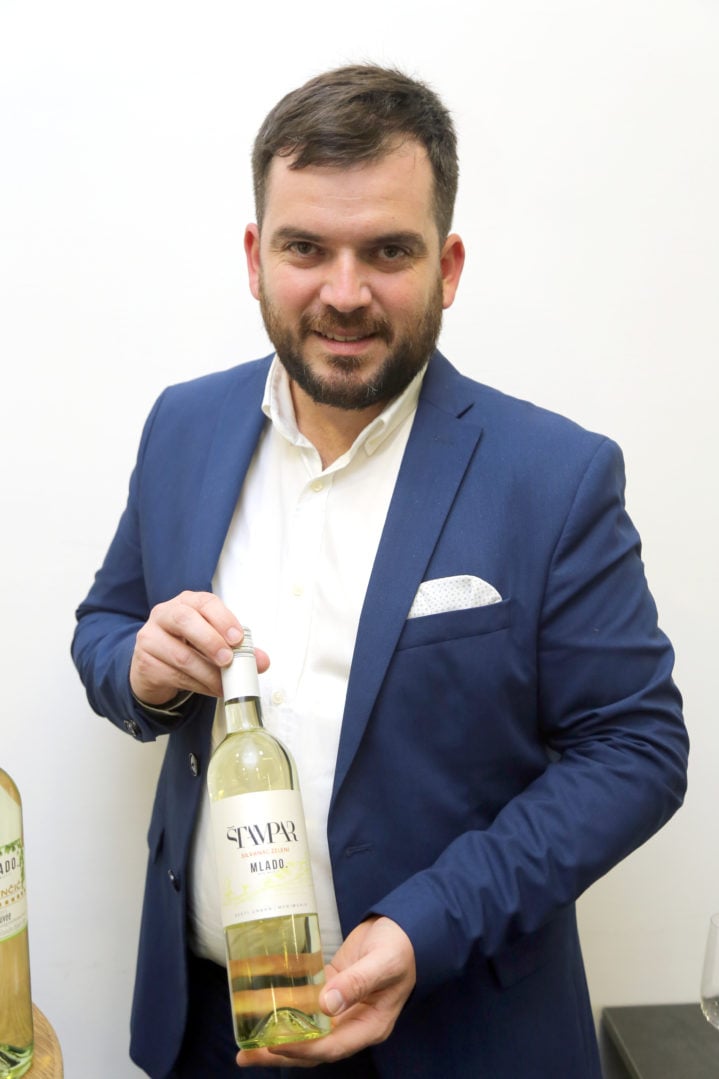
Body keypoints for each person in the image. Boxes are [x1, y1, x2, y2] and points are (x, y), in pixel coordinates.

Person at [72, 64, 688, 1079]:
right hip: (207, 1033)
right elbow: (104, 623)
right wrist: (139, 666)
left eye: (388, 251)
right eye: (305, 248)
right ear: (255, 258)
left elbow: (635, 749)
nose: (344, 292)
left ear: (447, 266)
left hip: (456, 1037)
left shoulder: (555, 475)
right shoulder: (181, 425)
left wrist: (426, 924)